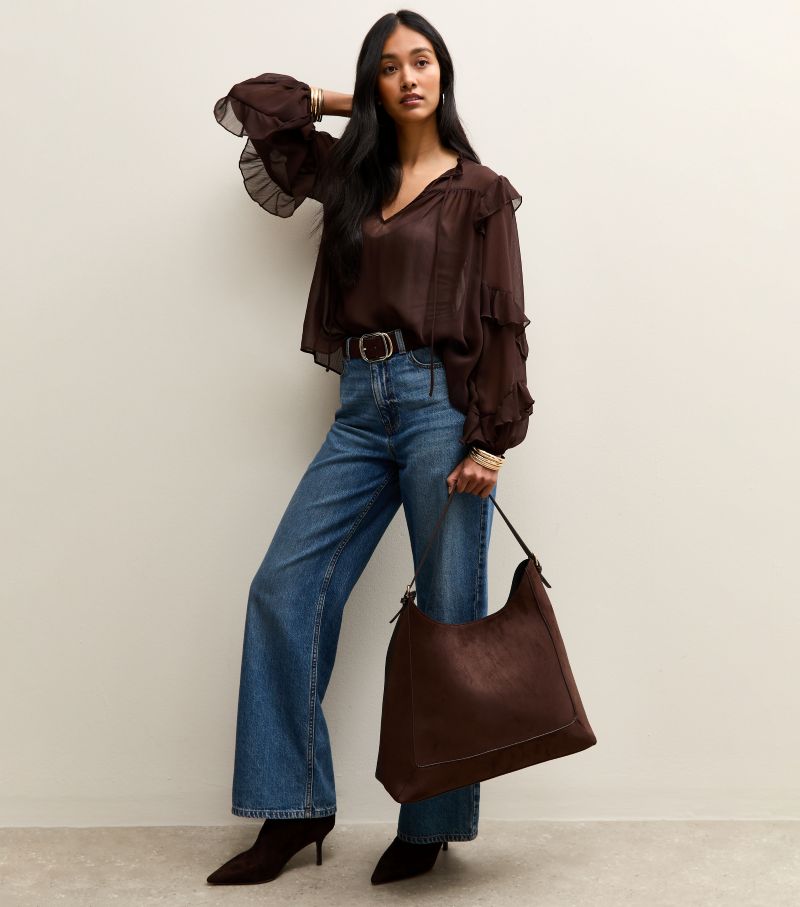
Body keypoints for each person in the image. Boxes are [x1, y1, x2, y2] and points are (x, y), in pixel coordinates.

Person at [206, 9, 534, 888]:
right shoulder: (354, 178)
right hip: (359, 406)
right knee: (285, 588)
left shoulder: (480, 190)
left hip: (441, 407)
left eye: (423, 62)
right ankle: (295, 805)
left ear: (446, 73)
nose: (410, 77)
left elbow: (507, 322)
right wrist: (352, 102)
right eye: (390, 67)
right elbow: (257, 105)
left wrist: (493, 441)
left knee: (447, 610)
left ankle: (429, 823)